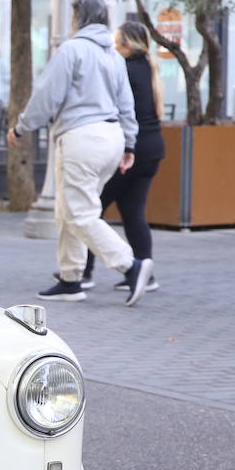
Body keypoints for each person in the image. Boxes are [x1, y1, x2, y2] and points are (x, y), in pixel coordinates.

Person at [6, 0, 154, 306]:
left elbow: (47, 95)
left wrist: (21, 127)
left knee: (79, 212)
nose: (71, 22)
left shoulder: (72, 50)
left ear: (80, 19)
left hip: (82, 138)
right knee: (69, 209)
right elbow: (126, 102)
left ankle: (131, 266)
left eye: (73, 17)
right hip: (111, 137)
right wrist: (129, 143)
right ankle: (71, 278)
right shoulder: (113, 55)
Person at [79, 22, 166, 294]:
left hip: (132, 150)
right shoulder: (150, 68)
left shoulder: (127, 69)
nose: (114, 49)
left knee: (91, 209)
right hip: (152, 148)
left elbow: (118, 109)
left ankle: (83, 273)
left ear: (128, 46)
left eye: (117, 44)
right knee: (132, 212)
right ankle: (144, 273)